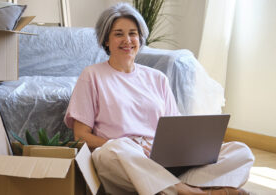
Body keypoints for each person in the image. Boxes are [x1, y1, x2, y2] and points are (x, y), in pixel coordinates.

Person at [64, 3, 254, 195]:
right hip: (126, 159)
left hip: (163, 159)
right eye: (118, 34)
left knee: (240, 151)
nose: (127, 40)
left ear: (140, 38)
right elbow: (80, 136)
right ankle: (195, 192)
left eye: (133, 33)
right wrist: (124, 146)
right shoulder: (92, 76)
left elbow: (176, 128)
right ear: (106, 40)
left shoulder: (157, 78)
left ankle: (175, 187)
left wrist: (188, 148)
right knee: (109, 153)